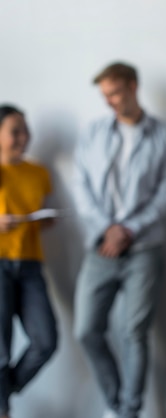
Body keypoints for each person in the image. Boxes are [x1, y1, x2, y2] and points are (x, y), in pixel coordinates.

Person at [73, 62, 166, 418]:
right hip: (100, 246)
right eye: (105, 95)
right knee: (86, 330)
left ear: (134, 87)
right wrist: (109, 228)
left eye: (116, 92)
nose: (109, 101)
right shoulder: (93, 133)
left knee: (133, 332)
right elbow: (81, 187)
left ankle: (129, 412)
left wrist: (129, 229)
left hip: (144, 248)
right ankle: (115, 402)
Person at [0, 105, 57, 418]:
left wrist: (45, 220)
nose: (24, 137)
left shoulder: (38, 173)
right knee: (1, 347)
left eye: (26, 130)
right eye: (15, 131)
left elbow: (39, 211)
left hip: (30, 264)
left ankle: (3, 391)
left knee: (46, 340)